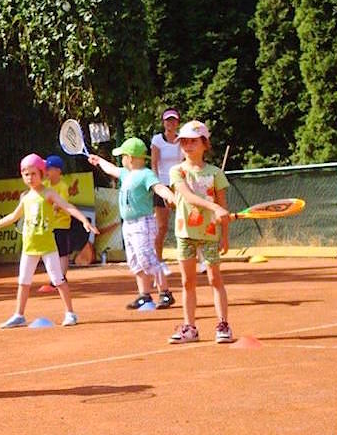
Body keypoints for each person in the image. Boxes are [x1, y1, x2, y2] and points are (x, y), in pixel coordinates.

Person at [0, 153, 99, 328]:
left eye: (33, 173)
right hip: (29, 246)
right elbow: (14, 216)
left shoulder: (49, 193)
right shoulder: (25, 197)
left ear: (42, 173)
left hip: (47, 246)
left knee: (58, 280)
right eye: (26, 174)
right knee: (23, 281)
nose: (29, 177)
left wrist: (84, 220)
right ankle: (19, 315)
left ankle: (70, 313)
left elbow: (67, 206)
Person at [88, 138, 176, 310]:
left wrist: (170, 196)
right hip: (128, 224)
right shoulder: (126, 173)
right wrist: (98, 161)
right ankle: (144, 295)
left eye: (123, 156)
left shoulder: (146, 174)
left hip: (143, 223)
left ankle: (165, 293)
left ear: (130, 157)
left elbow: (158, 187)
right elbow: (111, 169)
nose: (121, 159)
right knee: (135, 260)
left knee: (148, 259)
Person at [167, 120, 233, 344]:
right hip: (185, 233)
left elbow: (223, 206)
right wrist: (213, 207)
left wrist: (225, 236)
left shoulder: (216, 173)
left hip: (210, 234)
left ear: (205, 143)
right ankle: (190, 328)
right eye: (183, 141)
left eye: (193, 141)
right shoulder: (177, 171)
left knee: (215, 279)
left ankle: (223, 324)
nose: (187, 145)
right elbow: (187, 196)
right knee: (188, 282)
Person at [150, 108, 183, 275]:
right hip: (162, 186)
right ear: (164, 123)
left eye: (174, 120)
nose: (171, 123)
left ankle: (198, 259)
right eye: (168, 120)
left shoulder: (183, 140)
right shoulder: (157, 140)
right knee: (162, 226)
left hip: (179, 185)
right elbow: (154, 163)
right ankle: (158, 261)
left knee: (187, 222)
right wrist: (157, 185)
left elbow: (186, 161)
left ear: (178, 122)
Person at [37, 154, 72, 293]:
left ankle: (61, 278)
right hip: (49, 225)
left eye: (49, 168)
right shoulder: (45, 185)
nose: (46, 171)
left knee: (62, 253)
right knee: (52, 252)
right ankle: (56, 278)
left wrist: (49, 207)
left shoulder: (62, 186)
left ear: (58, 171)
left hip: (61, 225)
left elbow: (59, 204)